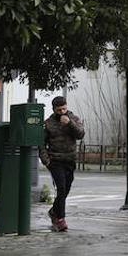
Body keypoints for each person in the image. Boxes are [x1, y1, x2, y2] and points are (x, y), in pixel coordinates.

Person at [40, 96, 84, 231]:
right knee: (61, 188)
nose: (62, 112)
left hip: (70, 159)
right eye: (59, 110)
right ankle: (60, 219)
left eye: (64, 108)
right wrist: (47, 161)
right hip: (56, 160)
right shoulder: (48, 123)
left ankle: (54, 211)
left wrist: (69, 123)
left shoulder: (73, 118)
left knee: (67, 188)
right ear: (54, 109)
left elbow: (81, 134)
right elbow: (41, 144)